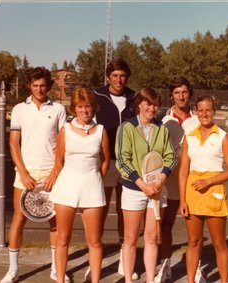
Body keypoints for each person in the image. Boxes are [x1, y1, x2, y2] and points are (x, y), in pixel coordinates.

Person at [0, 67, 67, 283]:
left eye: (43, 86)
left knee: (54, 222)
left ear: (49, 87)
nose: (39, 89)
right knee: (18, 220)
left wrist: (55, 173)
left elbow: (63, 144)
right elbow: (13, 143)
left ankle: (57, 270)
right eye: (35, 85)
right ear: (30, 85)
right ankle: (13, 270)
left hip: (51, 173)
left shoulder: (58, 109)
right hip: (25, 174)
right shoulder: (20, 109)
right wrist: (23, 172)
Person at [115, 87, 177, 283]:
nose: (152, 108)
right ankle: (128, 280)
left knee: (151, 239)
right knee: (130, 240)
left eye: (156, 104)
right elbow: (122, 160)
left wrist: (161, 179)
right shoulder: (126, 128)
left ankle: (150, 280)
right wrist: (142, 185)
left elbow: (171, 157)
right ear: (139, 104)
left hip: (158, 191)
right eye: (148, 104)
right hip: (134, 190)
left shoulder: (162, 129)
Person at [49, 88, 110, 283]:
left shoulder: (101, 131)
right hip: (66, 188)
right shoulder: (64, 130)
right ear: (74, 108)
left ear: (94, 107)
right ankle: (59, 280)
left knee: (95, 241)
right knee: (62, 239)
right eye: (80, 106)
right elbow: (58, 163)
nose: (85, 110)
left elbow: (105, 161)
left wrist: (93, 178)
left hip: (92, 188)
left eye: (88, 106)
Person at [179, 95, 228, 283]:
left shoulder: (222, 136)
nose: (205, 114)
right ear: (195, 112)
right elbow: (183, 172)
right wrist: (182, 199)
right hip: (192, 193)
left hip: (214, 193)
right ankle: (190, 280)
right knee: (194, 242)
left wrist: (209, 182)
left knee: (219, 243)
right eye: (201, 110)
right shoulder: (189, 137)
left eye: (208, 110)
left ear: (214, 111)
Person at [93, 58, 138, 279]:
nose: (119, 80)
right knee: (99, 211)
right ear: (108, 77)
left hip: (128, 164)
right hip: (105, 162)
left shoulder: (135, 97)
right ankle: (95, 262)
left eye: (122, 76)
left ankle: (124, 260)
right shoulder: (96, 96)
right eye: (115, 76)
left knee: (125, 212)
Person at [155, 76, 201, 282]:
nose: (181, 96)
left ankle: (196, 267)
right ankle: (165, 267)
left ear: (189, 93)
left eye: (184, 92)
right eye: (176, 93)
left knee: (195, 227)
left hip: (194, 180)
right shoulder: (164, 121)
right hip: (172, 181)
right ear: (171, 95)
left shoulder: (199, 118)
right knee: (166, 224)